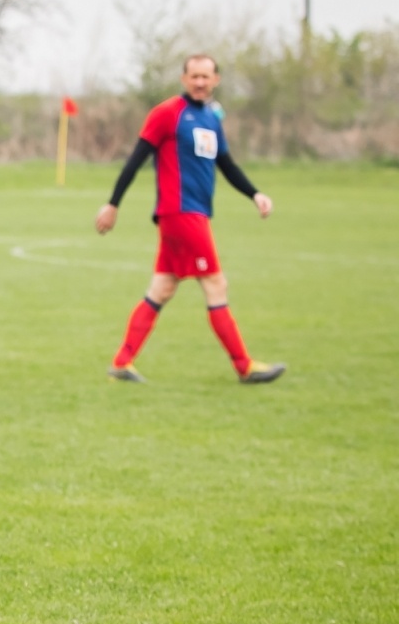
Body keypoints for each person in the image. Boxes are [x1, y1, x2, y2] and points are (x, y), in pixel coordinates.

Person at [96, 54, 284, 384]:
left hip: (190, 214)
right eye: (194, 76)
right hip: (180, 213)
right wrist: (113, 204)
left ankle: (122, 364)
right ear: (184, 79)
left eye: (205, 76)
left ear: (216, 80)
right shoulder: (168, 114)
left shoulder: (211, 118)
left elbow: (226, 165)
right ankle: (244, 367)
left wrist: (255, 194)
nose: (199, 82)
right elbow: (135, 159)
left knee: (163, 288)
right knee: (215, 284)